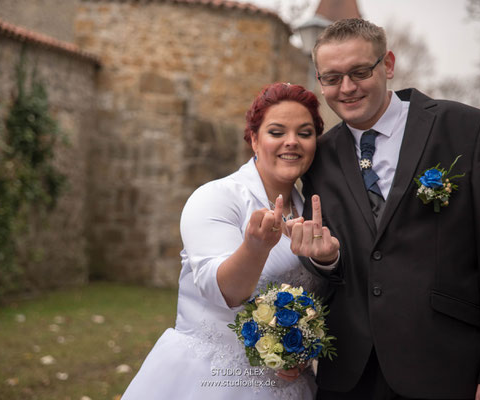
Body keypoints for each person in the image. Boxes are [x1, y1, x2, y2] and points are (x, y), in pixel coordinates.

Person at [289, 18, 480, 400]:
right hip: (351, 376)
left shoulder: (467, 129)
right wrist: (324, 262)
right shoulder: (320, 156)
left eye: (359, 72)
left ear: (387, 65)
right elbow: (339, 264)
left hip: (447, 367)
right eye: (332, 78)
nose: (347, 88)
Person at [121, 83, 328, 400]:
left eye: (305, 133)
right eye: (276, 132)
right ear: (254, 140)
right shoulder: (216, 198)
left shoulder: (311, 211)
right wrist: (255, 248)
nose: (292, 142)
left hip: (288, 387)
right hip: (210, 380)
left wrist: (296, 351)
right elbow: (224, 293)